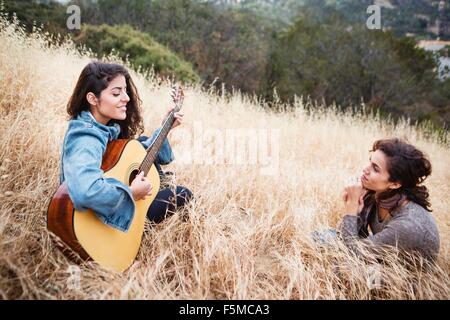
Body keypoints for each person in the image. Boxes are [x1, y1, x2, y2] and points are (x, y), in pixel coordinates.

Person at [59, 61, 193, 233]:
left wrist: (165, 126)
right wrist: (131, 193)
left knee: (140, 145)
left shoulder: (102, 126)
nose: (127, 98)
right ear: (92, 98)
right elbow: (86, 192)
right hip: (103, 224)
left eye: (125, 91)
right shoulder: (86, 138)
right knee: (182, 194)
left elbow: (141, 156)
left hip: (109, 209)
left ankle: (159, 183)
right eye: (116, 93)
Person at [340, 138, 440, 262]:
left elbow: (351, 254)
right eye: (370, 162)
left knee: (337, 265)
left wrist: (351, 207)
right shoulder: (377, 194)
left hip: (402, 277)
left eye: (375, 168)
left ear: (395, 184)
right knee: (320, 238)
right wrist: (357, 212)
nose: (365, 169)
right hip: (381, 259)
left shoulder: (408, 225)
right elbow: (347, 238)